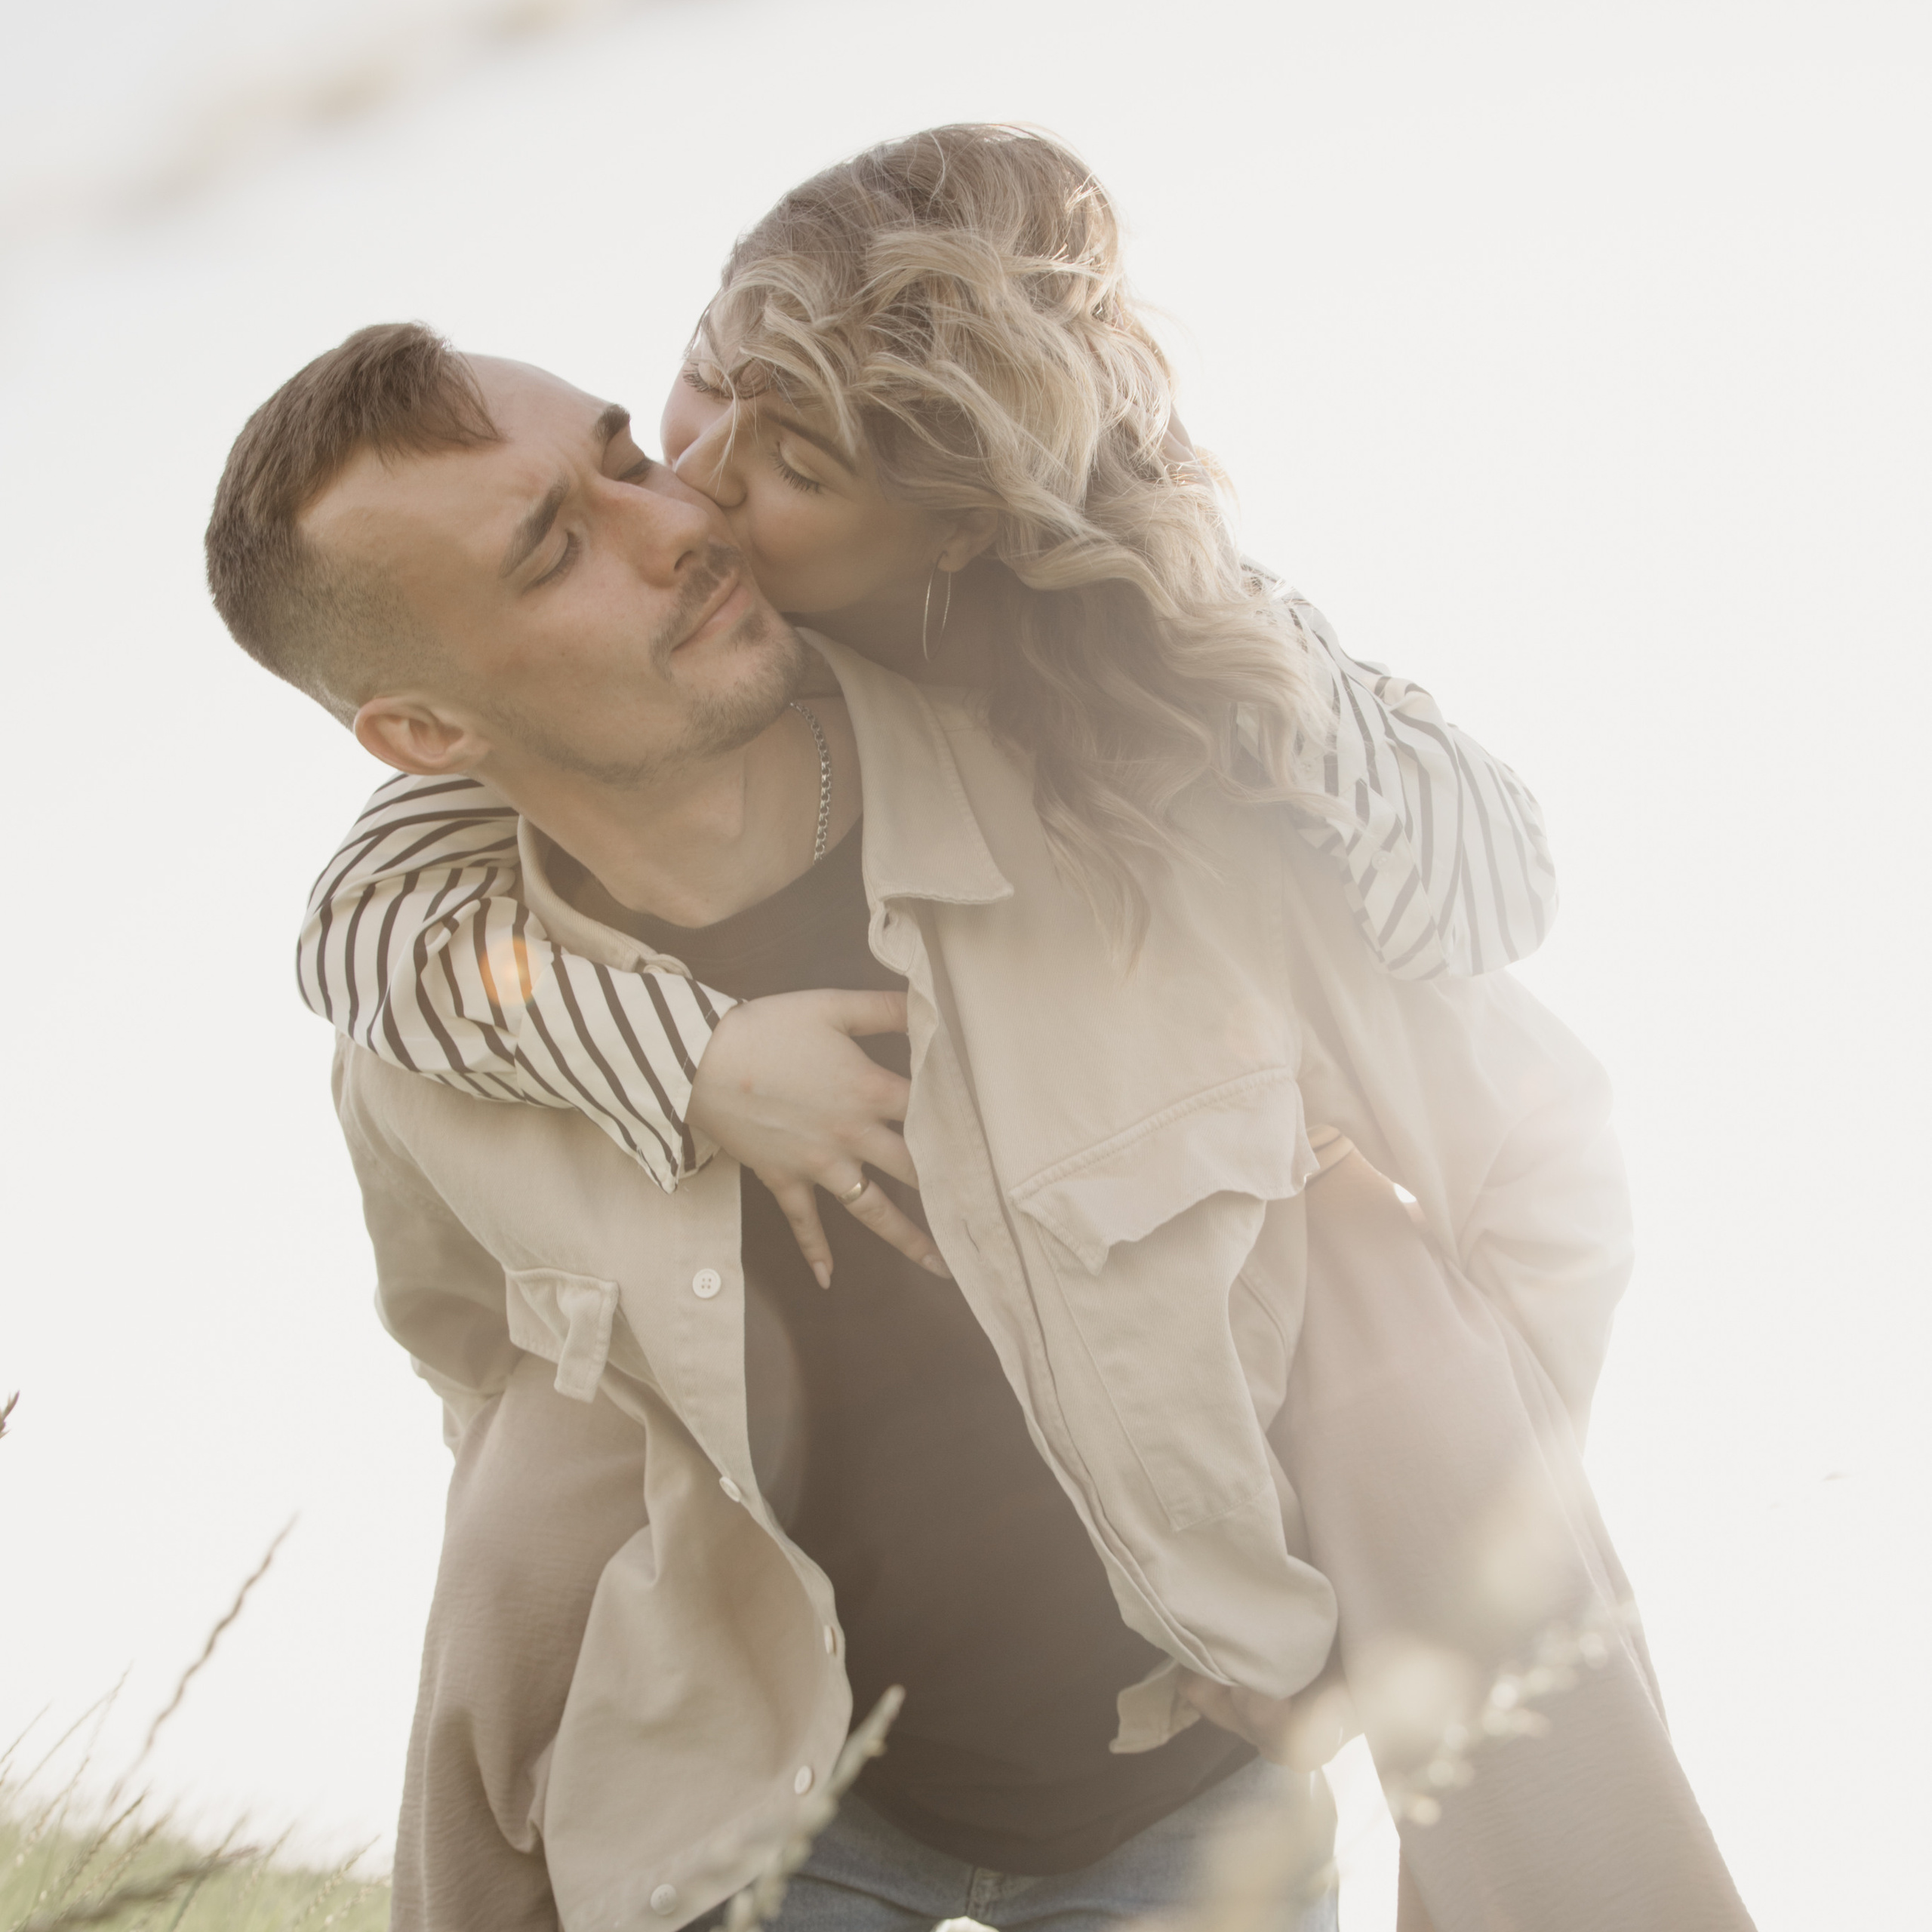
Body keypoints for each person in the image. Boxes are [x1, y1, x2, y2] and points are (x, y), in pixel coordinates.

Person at [208, 131, 1750, 1932]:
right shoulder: (438, 1023)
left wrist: (1407, 1595)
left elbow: (1541, 1156)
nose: (683, 512)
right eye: (559, 547)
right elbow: (486, 1381)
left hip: (1184, 1797)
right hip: (746, 1819)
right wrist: (681, 1061)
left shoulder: (1143, 798)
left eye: (626, 452)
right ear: (421, 732)